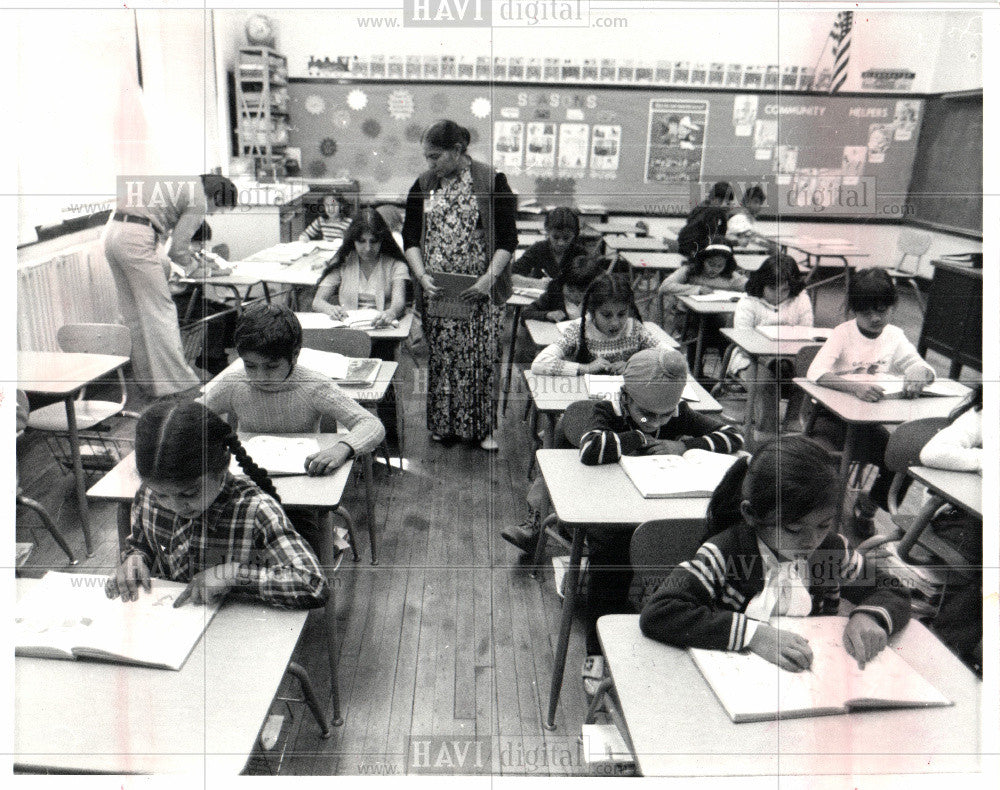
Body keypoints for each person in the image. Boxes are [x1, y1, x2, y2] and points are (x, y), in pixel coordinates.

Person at [639, 436, 911, 672]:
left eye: (823, 525)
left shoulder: (831, 552)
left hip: (801, 677)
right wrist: (754, 635)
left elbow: (892, 589)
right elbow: (661, 612)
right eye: (793, 528)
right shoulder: (724, 554)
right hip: (727, 676)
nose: (811, 540)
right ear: (750, 514)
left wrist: (870, 616)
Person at [564, 348, 744, 692]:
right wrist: (641, 438)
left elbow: (734, 435)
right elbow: (591, 449)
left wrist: (685, 446)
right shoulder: (607, 410)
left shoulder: (674, 414)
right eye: (647, 414)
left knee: (700, 541)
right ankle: (597, 647)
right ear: (625, 396)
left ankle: (676, 622)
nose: (659, 423)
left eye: (666, 416)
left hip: (659, 504)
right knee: (612, 555)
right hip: (608, 515)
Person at [105, 400, 329, 609]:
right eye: (162, 496)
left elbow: (313, 585)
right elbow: (140, 544)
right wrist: (135, 558)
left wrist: (235, 575)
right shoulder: (148, 494)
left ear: (221, 468)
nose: (175, 506)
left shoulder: (256, 510)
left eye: (190, 493)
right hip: (173, 622)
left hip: (238, 630)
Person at [402, 119, 518, 450]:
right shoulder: (425, 184)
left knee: (481, 359)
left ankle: (483, 430)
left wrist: (487, 281)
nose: (430, 164)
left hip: (481, 291)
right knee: (443, 359)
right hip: (439, 290)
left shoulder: (490, 180)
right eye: (427, 157)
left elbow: (508, 239)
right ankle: (444, 425)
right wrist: (422, 276)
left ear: (457, 151)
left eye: (435, 156)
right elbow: (410, 236)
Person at [806, 268, 936, 515]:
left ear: (892, 306)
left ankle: (867, 508)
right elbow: (816, 372)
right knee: (822, 469)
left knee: (903, 458)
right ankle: (821, 515)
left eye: (882, 310)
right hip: (830, 420)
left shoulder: (894, 335)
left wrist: (919, 370)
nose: (876, 318)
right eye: (867, 313)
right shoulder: (843, 333)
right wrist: (857, 388)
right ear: (854, 311)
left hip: (866, 424)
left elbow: (920, 365)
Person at [201, 302, 384, 472]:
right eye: (250, 365)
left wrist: (342, 448)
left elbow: (371, 425)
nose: (260, 377)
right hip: (248, 476)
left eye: (272, 367)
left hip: (301, 473)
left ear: (295, 356)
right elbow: (192, 415)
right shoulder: (234, 384)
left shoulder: (314, 387)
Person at [103, 173, 236, 397]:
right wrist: (205, 269)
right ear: (216, 196)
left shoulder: (184, 184)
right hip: (137, 237)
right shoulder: (200, 199)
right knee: (161, 312)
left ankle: (149, 382)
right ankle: (179, 386)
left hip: (113, 232)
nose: (213, 213)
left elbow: (166, 246)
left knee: (134, 314)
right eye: (219, 208)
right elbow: (178, 249)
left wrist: (181, 262)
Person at [919, 385, 983, 673]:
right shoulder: (986, 413)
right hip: (957, 515)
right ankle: (945, 653)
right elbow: (932, 453)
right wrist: (985, 460)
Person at [729, 253, 814, 434]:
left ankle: (792, 420)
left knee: (807, 372)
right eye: (773, 289)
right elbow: (743, 341)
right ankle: (767, 431)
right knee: (767, 379)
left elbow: (807, 334)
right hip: (751, 359)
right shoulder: (748, 302)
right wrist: (768, 358)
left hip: (790, 357)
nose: (778, 296)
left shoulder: (800, 299)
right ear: (761, 284)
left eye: (784, 290)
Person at [530, 273, 672, 377]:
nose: (615, 323)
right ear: (592, 312)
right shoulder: (578, 331)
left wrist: (633, 366)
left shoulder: (636, 329)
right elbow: (539, 363)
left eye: (622, 314)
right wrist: (586, 368)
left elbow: (673, 358)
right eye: (606, 315)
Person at [312, 207, 410, 328]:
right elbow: (318, 301)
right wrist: (331, 309)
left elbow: (398, 303)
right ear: (353, 240)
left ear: (382, 240)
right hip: (348, 330)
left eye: (373, 241)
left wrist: (390, 313)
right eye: (361, 241)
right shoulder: (344, 261)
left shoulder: (396, 265)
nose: (368, 248)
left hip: (384, 330)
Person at [658, 238, 747, 340]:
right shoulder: (690, 270)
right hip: (687, 316)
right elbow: (665, 286)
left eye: (720, 266)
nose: (715, 269)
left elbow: (752, 287)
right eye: (711, 264)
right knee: (699, 335)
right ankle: (695, 353)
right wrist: (697, 289)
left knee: (724, 334)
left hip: (716, 317)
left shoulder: (730, 276)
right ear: (703, 260)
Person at [521, 254, 604, 323]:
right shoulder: (554, 293)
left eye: (581, 292)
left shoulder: (600, 298)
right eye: (570, 290)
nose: (574, 296)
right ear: (562, 283)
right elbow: (526, 313)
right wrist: (547, 315)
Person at [513, 206, 586, 279]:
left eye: (566, 238)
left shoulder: (580, 253)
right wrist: (537, 283)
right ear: (547, 232)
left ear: (574, 235)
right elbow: (512, 275)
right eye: (555, 237)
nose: (561, 243)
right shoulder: (538, 249)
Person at [676, 181, 733, 257]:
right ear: (712, 199)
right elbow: (716, 238)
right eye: (721, 201)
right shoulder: (714, 211)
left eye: (728, 202)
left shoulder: (700, 207)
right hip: (695, 251)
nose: (725, 205)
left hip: (685, 247)